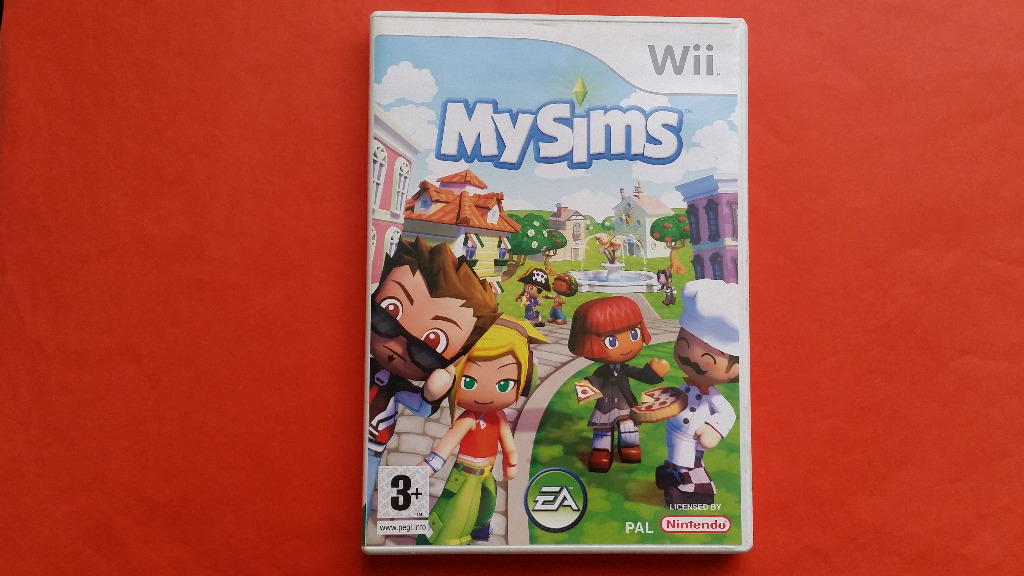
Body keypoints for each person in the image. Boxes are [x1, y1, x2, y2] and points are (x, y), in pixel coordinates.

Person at [366, 237, 499, 526]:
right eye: (386, 318)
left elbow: (423, 407)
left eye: (427, 348)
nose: (397, 347)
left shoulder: (398, 387)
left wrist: (432, 393)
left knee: (362, 500)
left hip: (372, 447)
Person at [417, 316, 547, 545]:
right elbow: (445, 447)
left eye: (504, 384)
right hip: (466, 475)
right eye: (468, 382)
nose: (486, 395)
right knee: (456, 511)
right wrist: (430, 466)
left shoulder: (499, 417)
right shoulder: (467, 420)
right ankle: (439, 542)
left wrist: (511, 460)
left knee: (486, 505)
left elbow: (508, 443)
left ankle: (479, 529)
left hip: (487, 474)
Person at [656, 279, 742, 505]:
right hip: (674, 429)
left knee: (690, 462)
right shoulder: (687, 384)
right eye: (683, 343)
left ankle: (696, 488)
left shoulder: (712, 395)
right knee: (675, 456)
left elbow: (727, 413)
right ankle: (672, 474)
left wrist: (714, 429)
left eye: (708, 358)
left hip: (692, 434)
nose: (691, 358)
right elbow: (677, 396)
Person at [567, 296, 670, 472]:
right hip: (605, 407)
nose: (627, 346)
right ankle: (601, 451)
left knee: (628, 428)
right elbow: (596, 380)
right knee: (603, 431)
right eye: (611, 340)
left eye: (634, 333)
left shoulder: (625, 368)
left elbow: (640, 374)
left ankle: (629, 448)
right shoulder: (602, 372)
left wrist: (654, 373)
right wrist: (587, 384)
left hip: (625, 405)